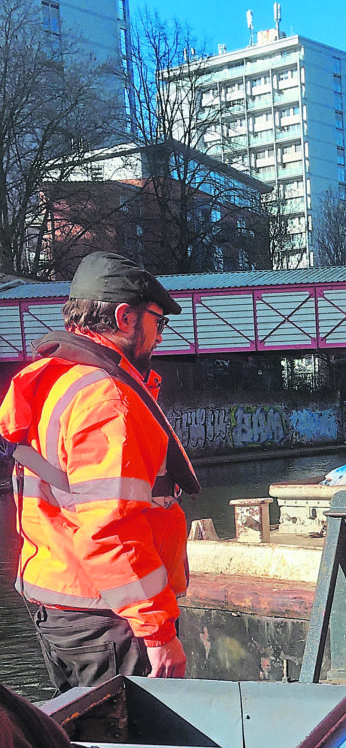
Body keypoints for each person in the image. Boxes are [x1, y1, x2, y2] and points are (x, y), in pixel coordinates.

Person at [0, 251, 200, 692]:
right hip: (108, 620)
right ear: (126, 317)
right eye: (157, 322)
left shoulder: (56, 381)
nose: (160, 336)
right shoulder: (108, 400)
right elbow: (111, 529)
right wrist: (159, 632)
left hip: (61, 609)